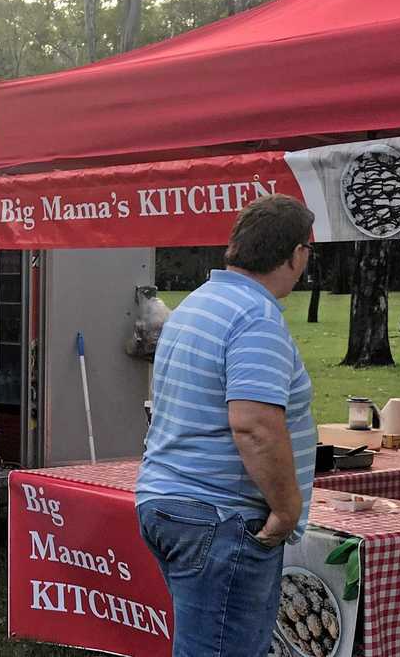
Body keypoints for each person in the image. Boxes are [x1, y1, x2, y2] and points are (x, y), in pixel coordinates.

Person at [136, 194, 317, 657]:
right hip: (220, 516)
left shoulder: (198, 304)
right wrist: (287, 510)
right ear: (296, 254)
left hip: (173, 501)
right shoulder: (255, 319)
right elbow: (253, 426)